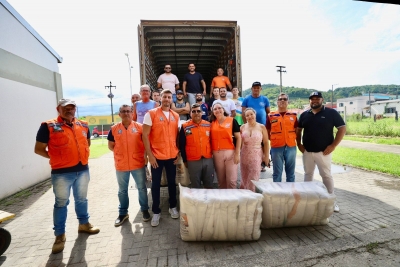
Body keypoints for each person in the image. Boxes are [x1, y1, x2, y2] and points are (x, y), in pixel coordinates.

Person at [34, 99, 100, 254]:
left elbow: (87, 143)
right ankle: (59, 235)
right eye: (66, 108)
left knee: (82, 199)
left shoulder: (83, 125)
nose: (69, 110)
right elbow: (38, 149)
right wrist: (56, 158)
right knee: (61, 204)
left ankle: (84, 224)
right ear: (58, 109)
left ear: (75, 109)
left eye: (72, 107)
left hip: (83, 170)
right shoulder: (48, 126)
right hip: (61, 173)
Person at [296, 92, 346, 213]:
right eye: (312, 99)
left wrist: (333, 145)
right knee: (308, 175)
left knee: (326, 176)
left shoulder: (331, 113)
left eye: (317, 99)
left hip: (324, 152)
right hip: (307, 152)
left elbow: (342, 128)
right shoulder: (304, 115)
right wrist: (299, 145)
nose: (314, 101)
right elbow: (298, 131)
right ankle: (308, 200)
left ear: (322, 100)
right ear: (309, 101)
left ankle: (331, 202)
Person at [108, 105, 151, 227]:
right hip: (121, 165)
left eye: (128, 111)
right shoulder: (114, 129)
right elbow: (111, 146)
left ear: (133, 113)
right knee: (122, 191)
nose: (126, 113)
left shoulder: (140, 127)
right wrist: (122, 154)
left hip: (137, 163)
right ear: (119, 114)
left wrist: (144, 158)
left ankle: (145, 210)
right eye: (123, 111)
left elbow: (146, 144)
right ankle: (123, 213)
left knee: (142, 189)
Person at [142, 89, 180, 227]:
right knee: (156, 185)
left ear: (172, 100)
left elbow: (177, 136)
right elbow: (145, 135)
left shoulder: (176, 116)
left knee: (171, 183)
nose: (166, 99)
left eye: (169, 97)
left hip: (171, 156)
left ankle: (172, 207)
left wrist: (178, 154)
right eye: (164, 96)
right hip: (156, 157)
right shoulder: (151, 114)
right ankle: (156, 212)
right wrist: (150, 156)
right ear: (160, 98)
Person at [179, 103, 214, 188]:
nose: (196, 113)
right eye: (194, 111)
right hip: (193, 160)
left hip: (208, 158)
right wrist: (185, 160)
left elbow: (212, 141)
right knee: (195, 185)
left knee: (209, 183)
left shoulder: (208, 125)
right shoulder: (185, 126)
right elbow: (181, 144)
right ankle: (197, 201)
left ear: (202, 113)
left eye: (198, 111)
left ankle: (208, 200)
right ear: (190, 113)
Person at [266, 93, 298, 183]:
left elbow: (297, 130)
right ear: (277, 102)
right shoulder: (271, 116)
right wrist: (274, 139)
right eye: (280, 99)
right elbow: (267, 131)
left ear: (288, 102)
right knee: (277, 173)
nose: (282, 101)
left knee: (291, 173)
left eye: (285, 99)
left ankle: (291, 192)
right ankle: (277, 193)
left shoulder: (293, 115)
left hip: (291, 146)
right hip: (276, 147)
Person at [210, 102, 241, 189]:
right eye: (215, 109)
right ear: (213, 112)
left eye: (219, 108)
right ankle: (224, 200)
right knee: (221, 180)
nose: (217, 110)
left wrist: (237, 153)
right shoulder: (211, 123)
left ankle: (232, 200)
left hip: (230, 153)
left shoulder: (232, 120)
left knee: (231, 180)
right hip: (217, 154)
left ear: (223, 110)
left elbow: (238, 138)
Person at [242, 81, 271, 172]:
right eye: (254, 88)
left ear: (260, 89)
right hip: (250, 126)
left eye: (258, 88)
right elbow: (244, 113)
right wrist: (247, 125)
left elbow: (268, 113)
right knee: (251, 145)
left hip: (262, 127)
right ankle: (250, 162)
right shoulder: (246, 99)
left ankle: (263, 162)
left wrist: (266, 126)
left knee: (263, 145)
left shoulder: (265, 99)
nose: (256, 89)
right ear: (251, 89)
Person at [240, 108, 270, 192]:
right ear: (245, 117)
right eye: (247, 115)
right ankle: (244, 198)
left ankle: (252, 198)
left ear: (255, 114)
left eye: (251, 114)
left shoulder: (261, 127)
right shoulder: (242, 127)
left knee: (253, 178)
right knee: (244, 178)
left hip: (256, 155)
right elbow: (239, 143)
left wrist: (266, 156)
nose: (249, 116)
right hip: (244, 155)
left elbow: (266, 142)